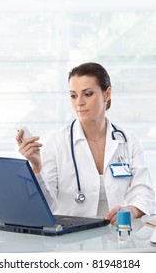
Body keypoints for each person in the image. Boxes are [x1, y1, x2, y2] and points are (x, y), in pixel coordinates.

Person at [16, 62, 155, 225]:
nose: (79, 102)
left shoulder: (127, 141)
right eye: (73, 95)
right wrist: (36, 167)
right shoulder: (56, 142)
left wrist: (131, 210)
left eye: (88, 94)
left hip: (116, 236)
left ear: (107, 93)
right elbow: (47, 204)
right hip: (70, 241)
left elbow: (144, 191)